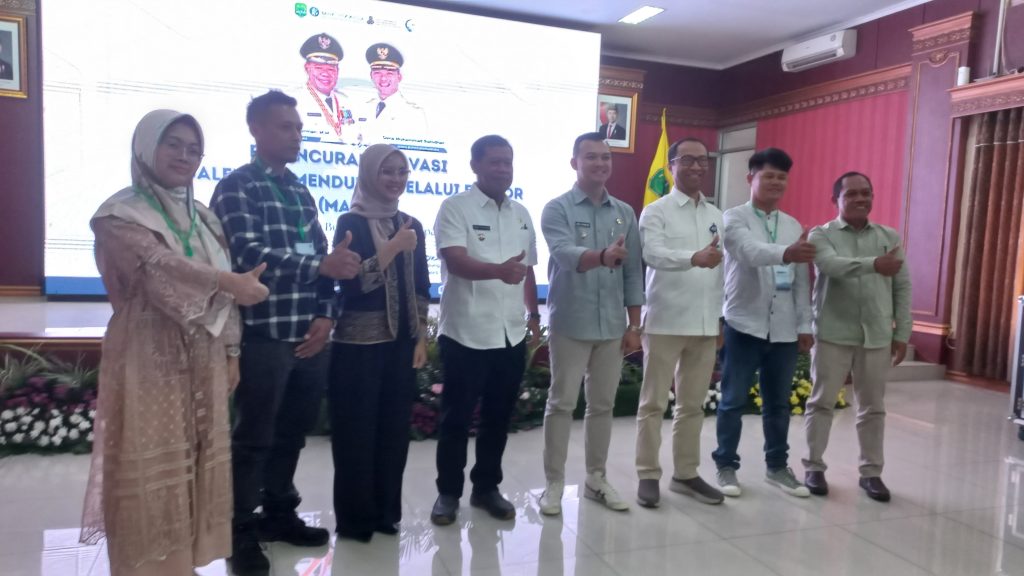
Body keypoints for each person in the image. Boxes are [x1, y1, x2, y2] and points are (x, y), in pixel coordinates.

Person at [80, 109, 270, 576]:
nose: (184, 156)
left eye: (194, 149)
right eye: (173, 144)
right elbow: (156, 268)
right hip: (149, 354)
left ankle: (181, 563)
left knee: (196, 457)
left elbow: (228, 285)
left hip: (205, 356)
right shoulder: (118, 214)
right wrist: (226, 282)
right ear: (147, 147)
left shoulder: (203, 217)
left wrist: (231, 352)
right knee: (153, 461)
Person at [210, 90, 362, 576]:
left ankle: (279, 512)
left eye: (298, 127)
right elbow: (248, 255)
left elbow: (325, 257)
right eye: (285, 127)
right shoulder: (237, 187)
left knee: (292, 434)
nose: (297, 135)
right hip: (264, 335)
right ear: (256, 130)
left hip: (309, 337)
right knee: (254, 437)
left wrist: (326, 316)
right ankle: (239, 530)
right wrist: (320, 265)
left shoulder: (299, 190)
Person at [430, 134, 541, 526]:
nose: (503, 169)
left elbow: (527, 269)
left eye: (507, 162)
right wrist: (498, 271)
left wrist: (534, 316)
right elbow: (455, 261)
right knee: (456, 419)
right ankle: (448, 493)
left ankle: (486, 488)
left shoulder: (521, 213)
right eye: (494, 162)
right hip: (466, 332)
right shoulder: (455, 207)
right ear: (475, 165)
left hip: (510, 334)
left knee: (498, 417)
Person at [537, 132, 644, 516]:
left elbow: (632, 271)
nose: (600, 163)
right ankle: (553, 483)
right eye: (591, 157)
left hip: (612, 325)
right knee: (561, 403)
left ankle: (596, 479)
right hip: (571, 321)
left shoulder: (624, 212)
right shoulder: (557, 209)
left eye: (605, 157)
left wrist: (634, 325)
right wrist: (601, 256)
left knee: (602, 405)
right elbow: (565, 254)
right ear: (575, 163)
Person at [328, 143, 430, 541]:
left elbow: (420, 287)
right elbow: (352, 284)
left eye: (402, 172)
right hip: (358, 348)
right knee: (356, 432)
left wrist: (420, 337)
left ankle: (386, 512)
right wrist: (391, 248)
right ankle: (356, 521)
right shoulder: (349, 222)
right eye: (387, 171)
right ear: (370, 174)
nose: (395, 179)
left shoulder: (410, 223)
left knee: (393, 432)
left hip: (400, 345)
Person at [712, 147, 815, 499]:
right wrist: (787, 252)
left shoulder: (792, 225)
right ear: (750, 178)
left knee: (778, 405)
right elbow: (748, 252)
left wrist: (805, 325)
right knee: (732, 401)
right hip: (743, 324)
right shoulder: (733, 218)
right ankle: (726, 465)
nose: (775, 182)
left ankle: (777, 467)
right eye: (768, 175)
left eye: (781, 177)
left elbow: (800, 281)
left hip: (783, 329)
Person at [802, 172, 911, 502]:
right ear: (835, 199)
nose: (860, 199)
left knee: (873, 407)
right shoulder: (821, 234)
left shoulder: (888, 236)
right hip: (832, 333)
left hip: (876, 335)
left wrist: (902, 332)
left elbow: (902, 286)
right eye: (851, 194)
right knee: (822, 402)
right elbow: (831, 266)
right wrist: (875, 264)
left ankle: (871, 473)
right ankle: (814, 466)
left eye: (866, 193)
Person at [635, 137, 726, 508]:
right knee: (653, 403)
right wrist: (693, 258)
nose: (696, 167)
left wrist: (719, 319)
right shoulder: (655, 211)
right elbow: (652, 254)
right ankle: (647, 474)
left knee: (692, 406)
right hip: (665, 320)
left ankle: (686, 474)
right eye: (687, 160)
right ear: (671, 166)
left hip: (704, 324)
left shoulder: (716, 214)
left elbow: (721, 270)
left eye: (702, 160)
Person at [359, 42, 428, 142]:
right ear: (371, 76)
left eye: (389, 73)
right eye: (377, 73)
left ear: (399, 77)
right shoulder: (362, 107)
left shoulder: (414, 113)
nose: (383, 78)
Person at [296, 32, 357, 144]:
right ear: (307, 68)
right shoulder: (294, 101)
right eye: (319, 68)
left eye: (331, 69)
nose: (325, 74)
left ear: (337, 71)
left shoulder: (347, 102)